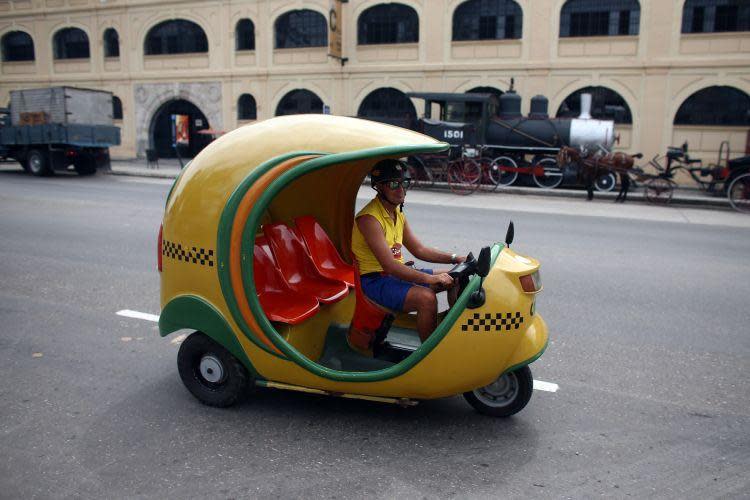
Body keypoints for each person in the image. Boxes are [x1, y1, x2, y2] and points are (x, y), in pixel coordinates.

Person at [351, 159, 465, 342]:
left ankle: (450, 335)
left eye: (405, 183)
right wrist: (430, 279)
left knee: (457, 277)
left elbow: (419, 249)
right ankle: (430, 355)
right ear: (379, 187)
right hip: (374, 280)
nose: (401, 190)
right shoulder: (369, 219)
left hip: (395, 275)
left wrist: (455, 258)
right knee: (426, 298)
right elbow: (389, 266)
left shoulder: (397, 214)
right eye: (394, 184)